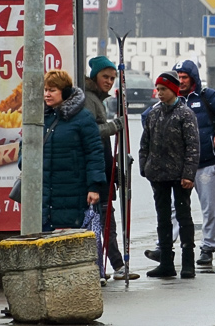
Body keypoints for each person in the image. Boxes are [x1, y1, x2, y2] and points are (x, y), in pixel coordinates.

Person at [144, 59, 215, 268]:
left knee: (208, 208)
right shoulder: (168, 100)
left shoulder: (206, 97)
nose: (181, 81)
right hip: (178, 168)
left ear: (193, 78)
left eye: (184, 77)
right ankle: (164, 246)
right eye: (178, 77)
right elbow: (147, 119)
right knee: (175, 209)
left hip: (205, 162)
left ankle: (208, 247)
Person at [79, 55, 137, 280]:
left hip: (102, 167)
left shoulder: (97, 99)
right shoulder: (88, 99)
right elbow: (90, 133)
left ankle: (115, 265)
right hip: (94, 169)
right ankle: (110, 266)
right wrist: (114, 126)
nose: (109, 81)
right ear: (95, 76)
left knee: (105, 218)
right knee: (103, 219)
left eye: (112, 77)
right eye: (106, 76)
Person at [140, 70, 199, 279]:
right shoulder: (153, 114)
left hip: (179, 176)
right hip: (158, 175)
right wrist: (144, 167)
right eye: (158, 89)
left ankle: (188, 263)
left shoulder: (185, 115)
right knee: (163, 219)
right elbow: (144, 143)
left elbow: (193, 146)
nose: (159, 93)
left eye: (163, 89)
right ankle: (166, 262)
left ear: (173, 90)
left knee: (184, 217)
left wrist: (189, 174)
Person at [41, 69, 106, 233]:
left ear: (65, 92)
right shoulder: (39, 117)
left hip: (73, 190)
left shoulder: (83, 118)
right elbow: (25, 144)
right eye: (45, 90)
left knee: (69, 242)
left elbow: (94, 152)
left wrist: (94, 186)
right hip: (45, 192)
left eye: (52, 90)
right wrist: (24, 163)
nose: (47, 94)